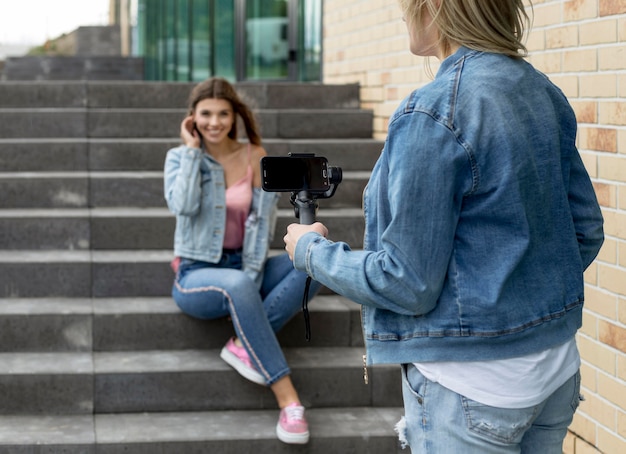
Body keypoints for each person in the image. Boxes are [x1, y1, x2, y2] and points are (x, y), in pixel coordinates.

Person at [283, 1, 604, 452]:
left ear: (433, 7)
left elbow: (407, 282)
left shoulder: (433, 111)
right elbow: (585, 230)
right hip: (555, 373)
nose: (402, 17)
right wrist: (516, 296)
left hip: (471, 390)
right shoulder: (540, 90)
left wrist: (310, 253)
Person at [164, 77, 319, 445]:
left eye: (223, 114)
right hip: (196, 272)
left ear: (236, 117)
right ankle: (289, 400)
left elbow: (262, 225)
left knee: (316, 262)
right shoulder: (180, 157)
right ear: (192, 118)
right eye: (205, 114)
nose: (214, 122)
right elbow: (182, 206)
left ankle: (241, 344)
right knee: (237, 285)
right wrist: (190, 151)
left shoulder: (254, 155)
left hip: (247, 267)